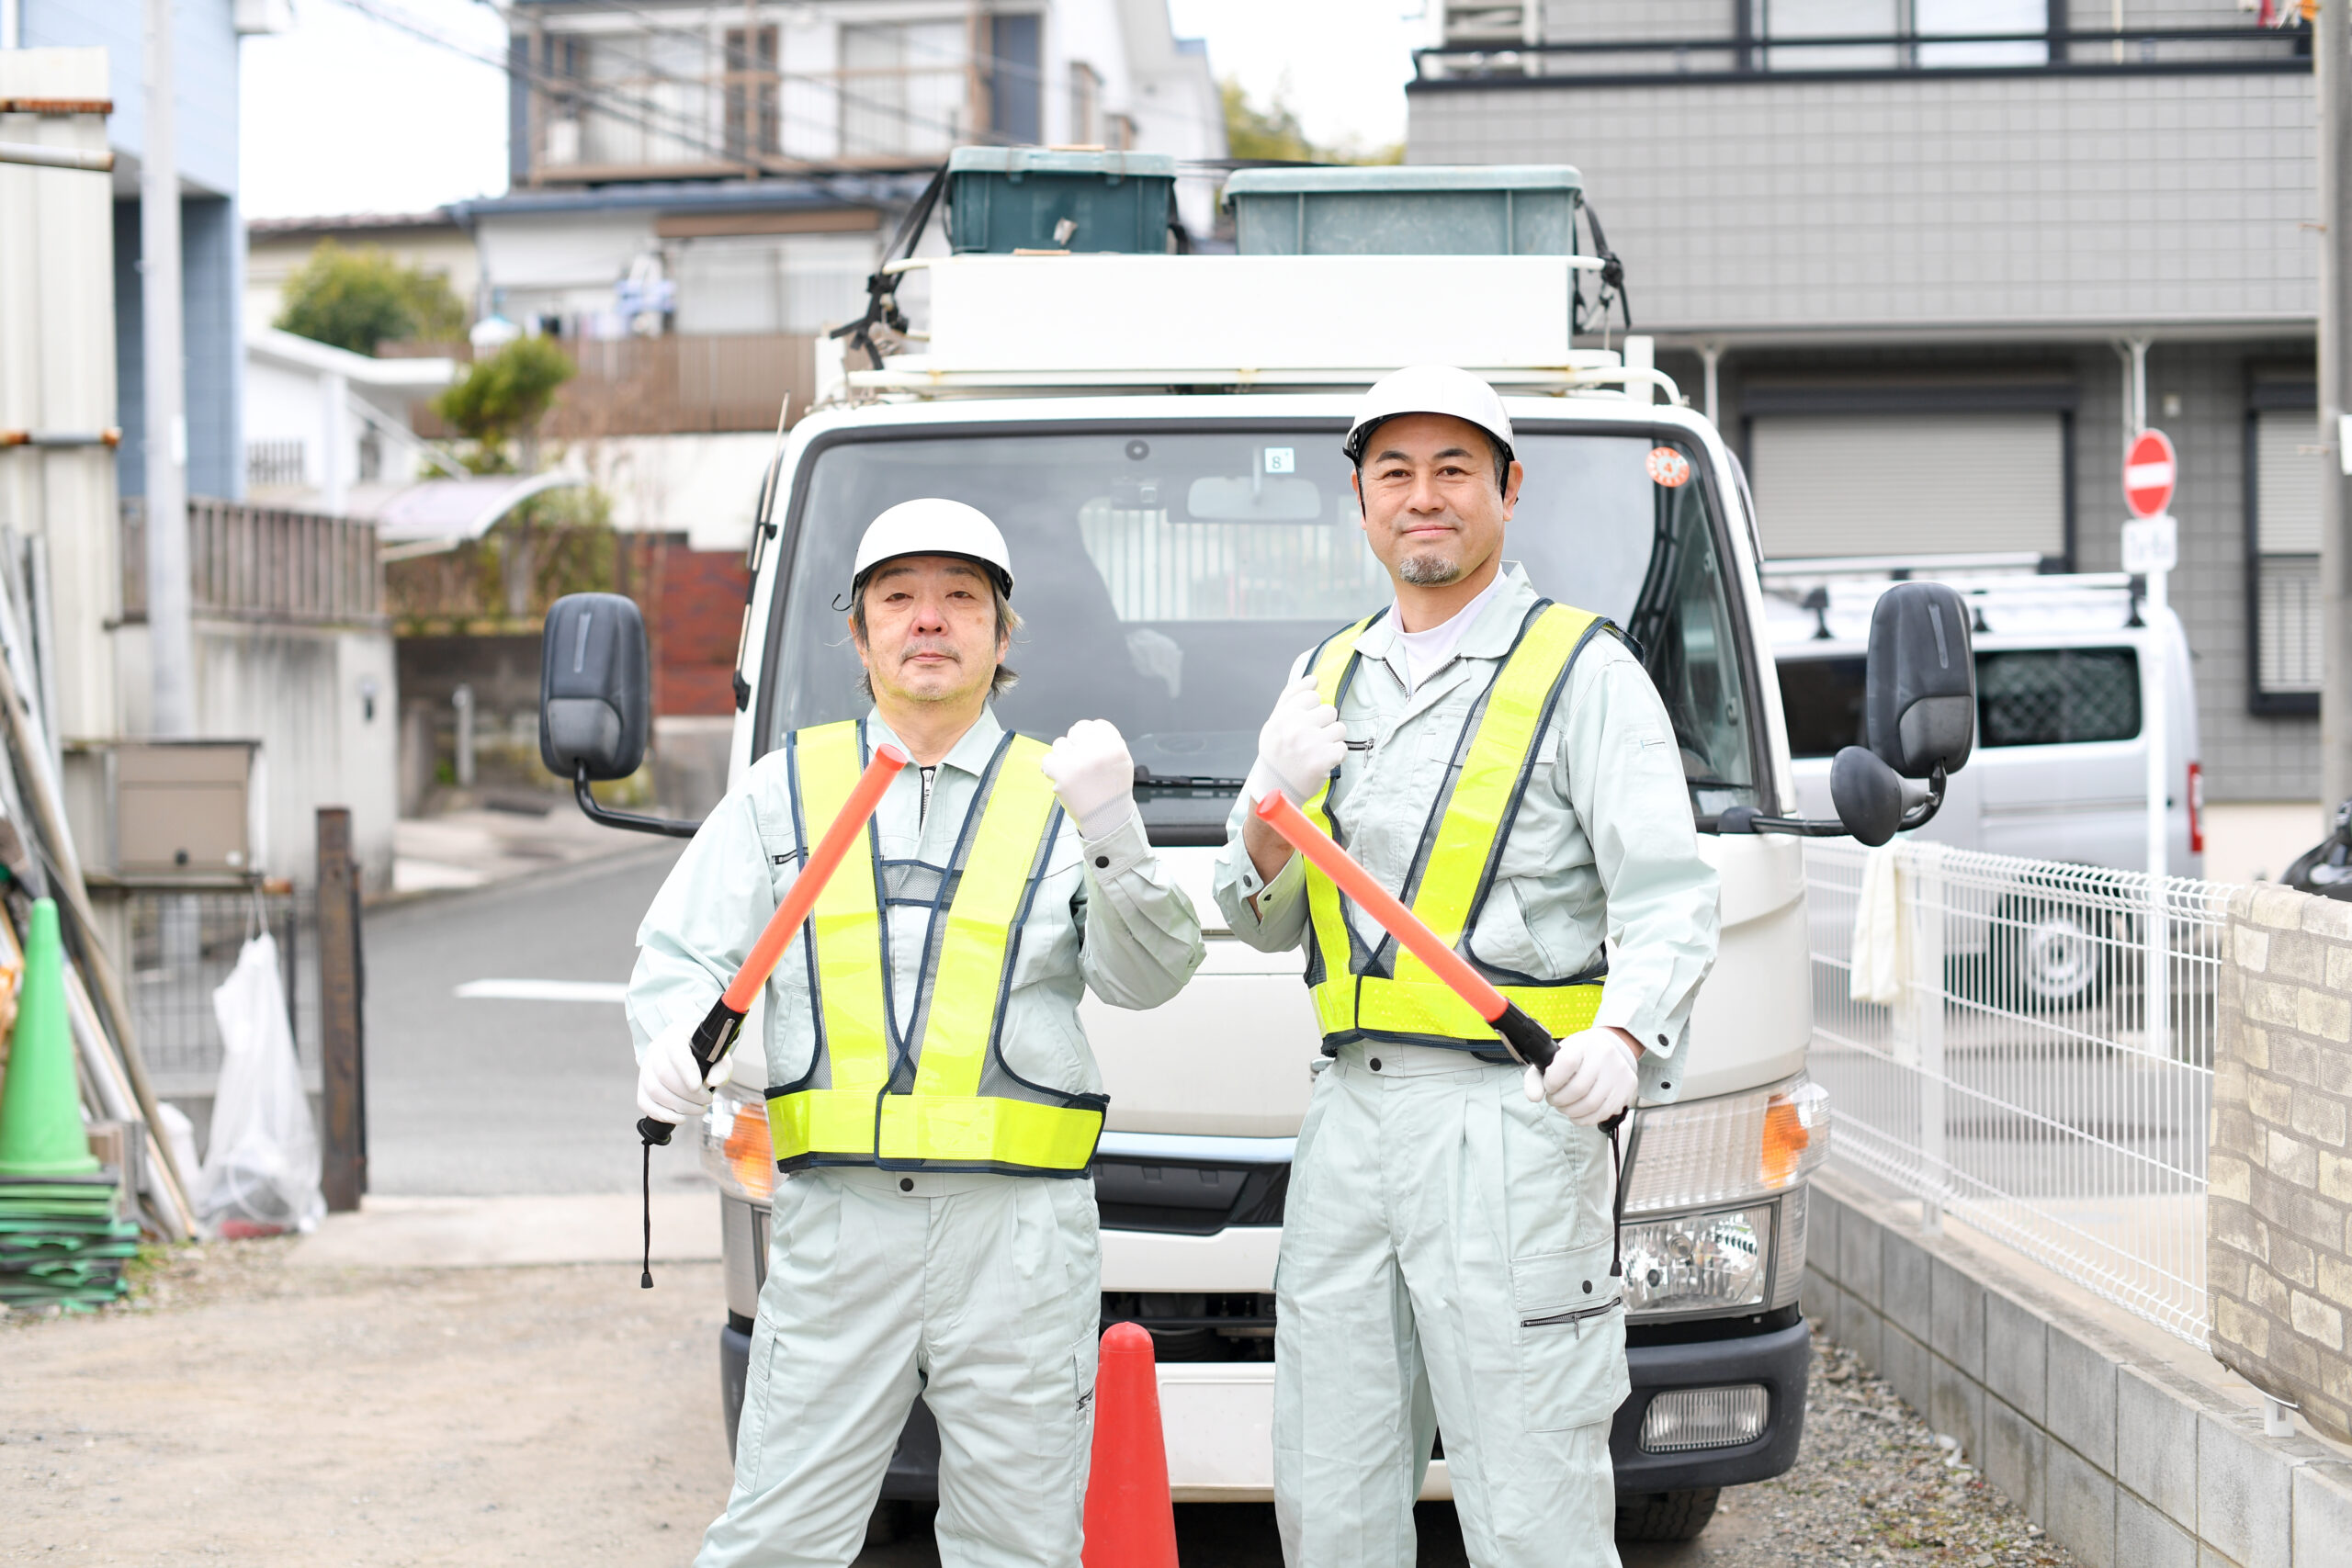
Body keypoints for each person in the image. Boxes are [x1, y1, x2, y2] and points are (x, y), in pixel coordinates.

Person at [629, 498, 1205, 1568]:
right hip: (837, 1227)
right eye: (899, 598)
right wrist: (670, 1042)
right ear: (860, 634)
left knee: (1018, 1542)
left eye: (959, 599)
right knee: (776, 1537)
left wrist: (1116, 831)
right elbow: (678, 960)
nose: (928, 620)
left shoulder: (1060, 797)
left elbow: (1148, 979)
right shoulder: (783, 791)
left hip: (1019, 1239)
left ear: (1001, 634)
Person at [1214, 367, 1721, 1567]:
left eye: (1453, 470)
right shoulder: (1324, 675)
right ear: (1361, 500)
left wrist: (1629, 1034)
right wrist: (1261, 808)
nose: (1423, 496)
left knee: (1532, 1493)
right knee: (1332, 1490)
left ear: (1508, 491)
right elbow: (1266, 919)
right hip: (1349, 1118)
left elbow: (1670, 895)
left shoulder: (1582, 673)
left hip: (1513, 1125)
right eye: (1396, 472)